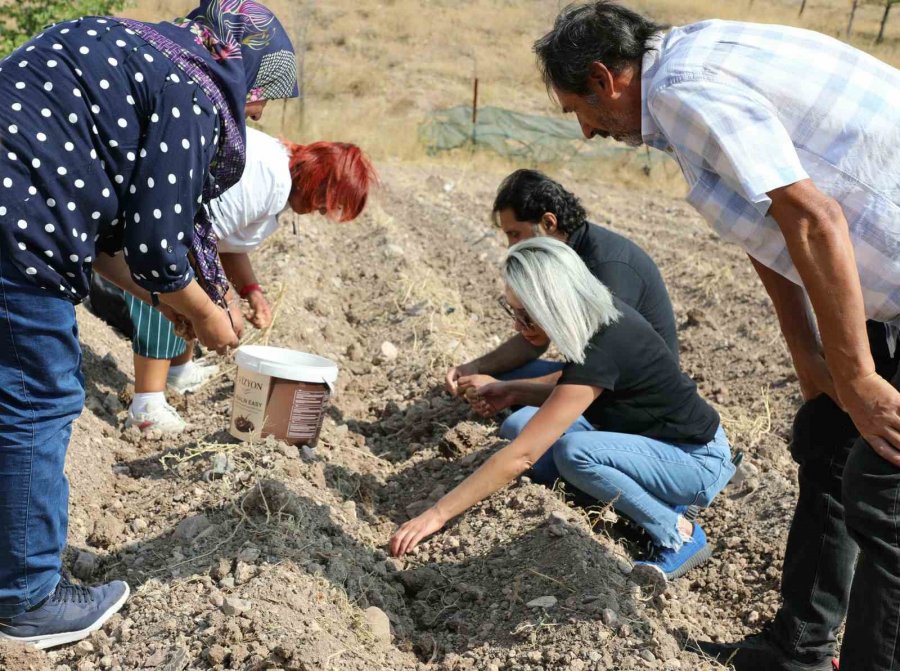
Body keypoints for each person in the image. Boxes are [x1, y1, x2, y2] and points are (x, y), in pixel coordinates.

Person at [533, 3, 900, 670]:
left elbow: (816, 218)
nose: (586, 132)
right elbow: (770, 226)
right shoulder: (683, 73)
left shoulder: (683, 86)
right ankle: (799, 651)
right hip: (879, 277)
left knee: (886, 489)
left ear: (602, 78)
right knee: (828, 435)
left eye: (578, 112)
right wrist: (814, 363)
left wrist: (859, 376)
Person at [0, 0, 298, 649]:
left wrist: (170, 303)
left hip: (17, 204)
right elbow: (159, 248)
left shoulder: (135, 47)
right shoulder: (190, 91)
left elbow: (115, 239)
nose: (258, 109)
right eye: (257, 94)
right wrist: (212, 322)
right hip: (17, 222)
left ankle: (17, 557)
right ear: (239, 63)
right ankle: (25, 597)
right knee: (38, 398)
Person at [392, 237, 735, 581]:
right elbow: (568, 396)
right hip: (645, 442)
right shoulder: (592, 320)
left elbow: (522, 457)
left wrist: (437, 514)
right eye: (512, 311)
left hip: (695, 459)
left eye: (525, 315)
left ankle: (676, 533)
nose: (517, 325)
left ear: (551, 302)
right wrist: (511, 392)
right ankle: (631, 500)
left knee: (574, 453)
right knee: (518, 425)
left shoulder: (606, 342)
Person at [122, 126, 377, 433]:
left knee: (189, 292)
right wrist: (225, 301)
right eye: (326, 199)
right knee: (170, 286)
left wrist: (252, 292)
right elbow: (193, 238)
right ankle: (147, 404)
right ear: (317, 176)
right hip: (158, 229)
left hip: (173, 227)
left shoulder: (279, 177)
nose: (322, 211)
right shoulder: (271, 180)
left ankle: (178, 370)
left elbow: (228, 241)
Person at [445, 169, 678, 417]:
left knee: (518, 424)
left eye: (515, 234)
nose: (511, 247)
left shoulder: (607, 267)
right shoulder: (556, 260)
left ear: (548, 223)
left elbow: (603, 367)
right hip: (592, 373)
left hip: (631, 395)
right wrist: (475, 367)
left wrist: (506, 390)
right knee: (493, 377)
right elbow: (534, 340)